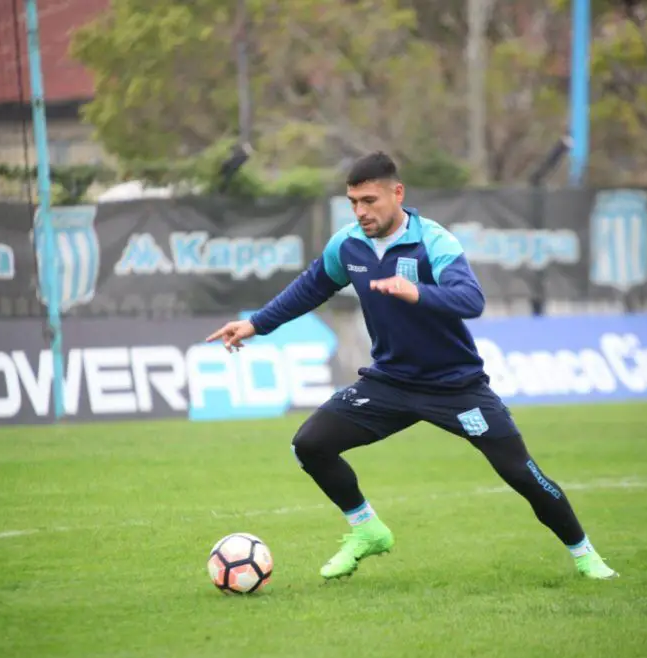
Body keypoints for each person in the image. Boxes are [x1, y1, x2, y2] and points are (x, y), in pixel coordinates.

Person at [206, 151, 618, 581]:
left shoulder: (434, 242)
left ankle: (586, 555)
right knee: (309, 445)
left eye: (369, 200)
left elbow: (471, 300)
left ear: (397, 193)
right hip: (390, 382)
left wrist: (417, 292)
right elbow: (312, 288)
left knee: (522, 474)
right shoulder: (348, 244)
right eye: (354, 202)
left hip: (455, 386)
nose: (361, 211)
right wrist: (256, 324)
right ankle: (367, 530)